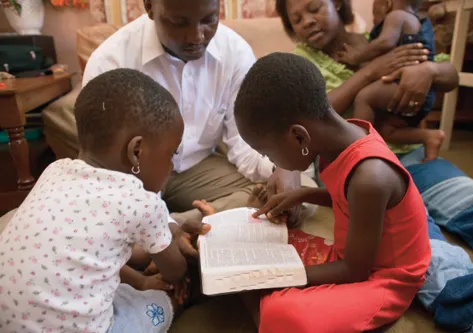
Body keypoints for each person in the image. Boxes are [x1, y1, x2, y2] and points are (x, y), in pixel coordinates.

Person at [275, 0, 473, 332]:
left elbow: (449, 72)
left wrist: (430, 70)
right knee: (416, 239)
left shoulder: (383, 35)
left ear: (338, 4)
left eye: (314, 8)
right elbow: (308, 116)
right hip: (357, 173)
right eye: (296, 19)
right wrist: (369, 71)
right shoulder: (299, 63)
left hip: (411, 153)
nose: (307, 21)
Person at [0, 69, 210, 333]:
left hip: (10, 322)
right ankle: (171, 307)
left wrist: (140, 282)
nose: (171, 164)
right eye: (171, 153)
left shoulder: (54, 172)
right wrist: (174, 255)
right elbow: (175, 271)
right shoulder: (141, 202)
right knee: (167, 297)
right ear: (137, 151)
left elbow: (93, 256)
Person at [234, 52, 431, 332]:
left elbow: (354, 271)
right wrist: (302, 194)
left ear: (299, 137)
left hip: (385, 279)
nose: (272, 164)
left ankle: (265, 309)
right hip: (351, 254)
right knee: (260, 250)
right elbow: (349, 200)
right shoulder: (338, 140)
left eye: (268, 153)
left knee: (283, 313)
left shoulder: (370, 176)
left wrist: (274, 278)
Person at [82, 0, 303, 225]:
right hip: (131, 177)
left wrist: (282, 165)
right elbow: (109, 174)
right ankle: (182, 228)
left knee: (295, 192)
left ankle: (174, 228)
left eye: (208, 20)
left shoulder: (235, 53)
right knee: (100, 221)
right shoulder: (111, 62)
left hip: (197, 167)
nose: (196, 37)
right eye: (179, 22)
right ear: (149, 7)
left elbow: (245, 143)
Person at [337, 0, 444, 161]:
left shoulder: (396, 16)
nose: (374, 22)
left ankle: (359, 149)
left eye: (374, 15)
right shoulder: (421, 23)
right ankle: (429, 137)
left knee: (364, 97)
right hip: (422, 94)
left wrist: (356, 57)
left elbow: (384, 42)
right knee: (386, 130)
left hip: (405, 86)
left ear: (386, 4)